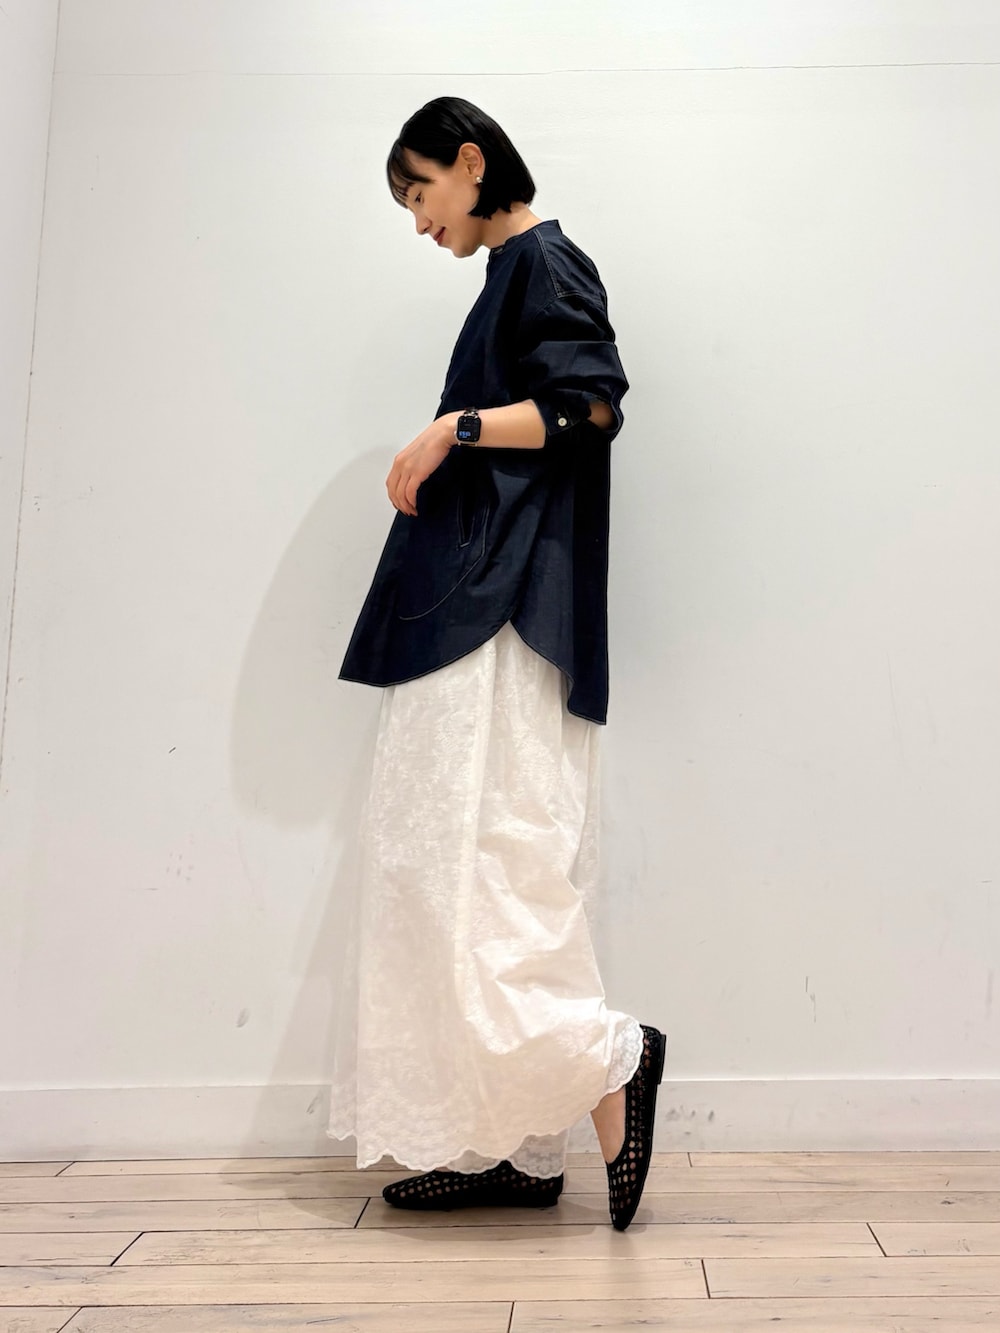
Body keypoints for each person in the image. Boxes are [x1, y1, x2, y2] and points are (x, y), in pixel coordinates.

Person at [326, 95, 666, 1231]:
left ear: (471, 164)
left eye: (420, 191)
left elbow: (591, 407)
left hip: (502, 615)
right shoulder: (508, 275)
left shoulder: (544, 263)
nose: (418, 220)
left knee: (480, 867)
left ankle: (611, 1062)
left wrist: (452, 428)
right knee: (452, 871)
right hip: (476, 606)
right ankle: (507, 1145)